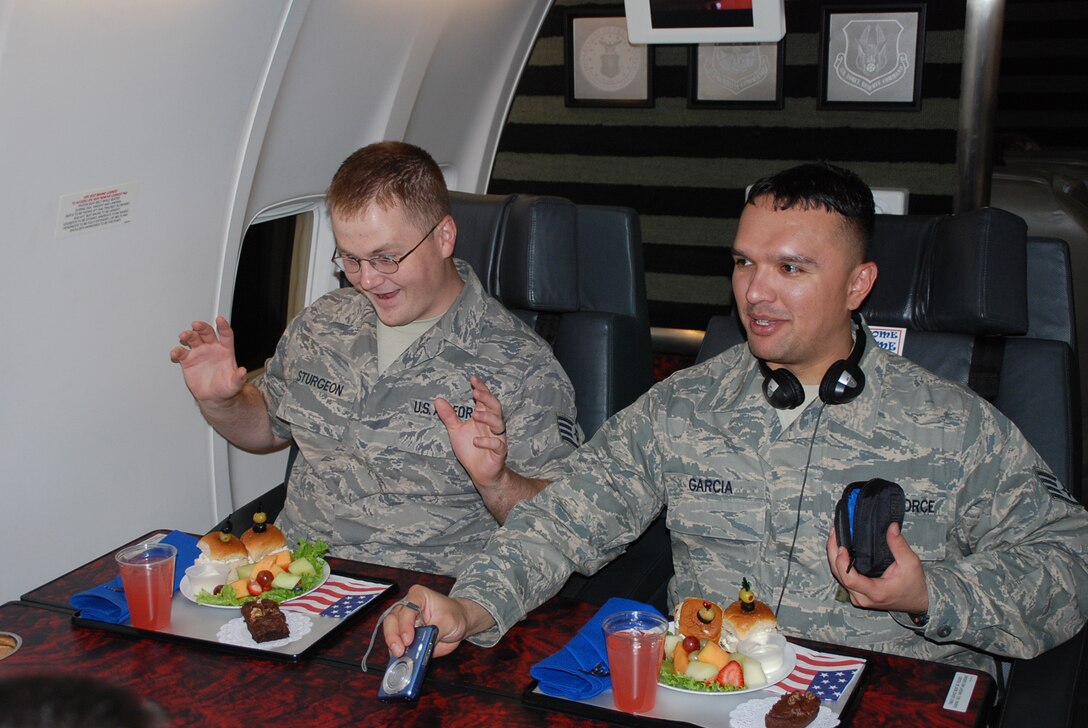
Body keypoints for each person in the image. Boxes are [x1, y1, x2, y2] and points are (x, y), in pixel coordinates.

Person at [383, 162, 1088, 674]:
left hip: (884, 697)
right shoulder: (683, 406)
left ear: (857, 284)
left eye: (791, 268)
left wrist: (933, 592)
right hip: (706, 691)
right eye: (745, 262)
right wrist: (469, 607)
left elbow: (1070, 562)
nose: (756, 291)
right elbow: (563, 521)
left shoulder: (954, 426)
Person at [170, 141, 581, 575]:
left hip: (424, 602)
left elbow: (567, 522)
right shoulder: (323, 324)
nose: (367, 280)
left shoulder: (519, 363)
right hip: (292, 582)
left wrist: (496, 481)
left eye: (386, 257)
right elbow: (267, 428)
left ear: (444, 237)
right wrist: (222, 402)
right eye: (350, 259)